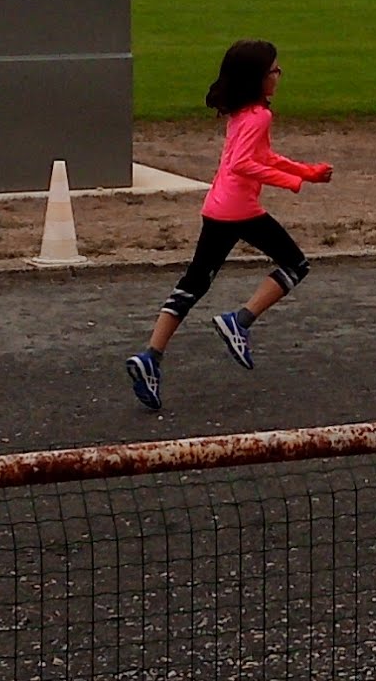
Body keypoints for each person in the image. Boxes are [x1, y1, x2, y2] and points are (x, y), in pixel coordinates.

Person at [131, 38, 328, 411]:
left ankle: (151, 357)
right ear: (259, 77)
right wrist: (291, 181)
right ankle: (240, 320)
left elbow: (263, 155)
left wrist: (307, 172)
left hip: (217, 208)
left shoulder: (245, 114)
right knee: (295, 264)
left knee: (194, 283)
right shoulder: (259, 116)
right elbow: (243, 164)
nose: (279, 75)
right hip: (239, 209)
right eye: (274, 70)